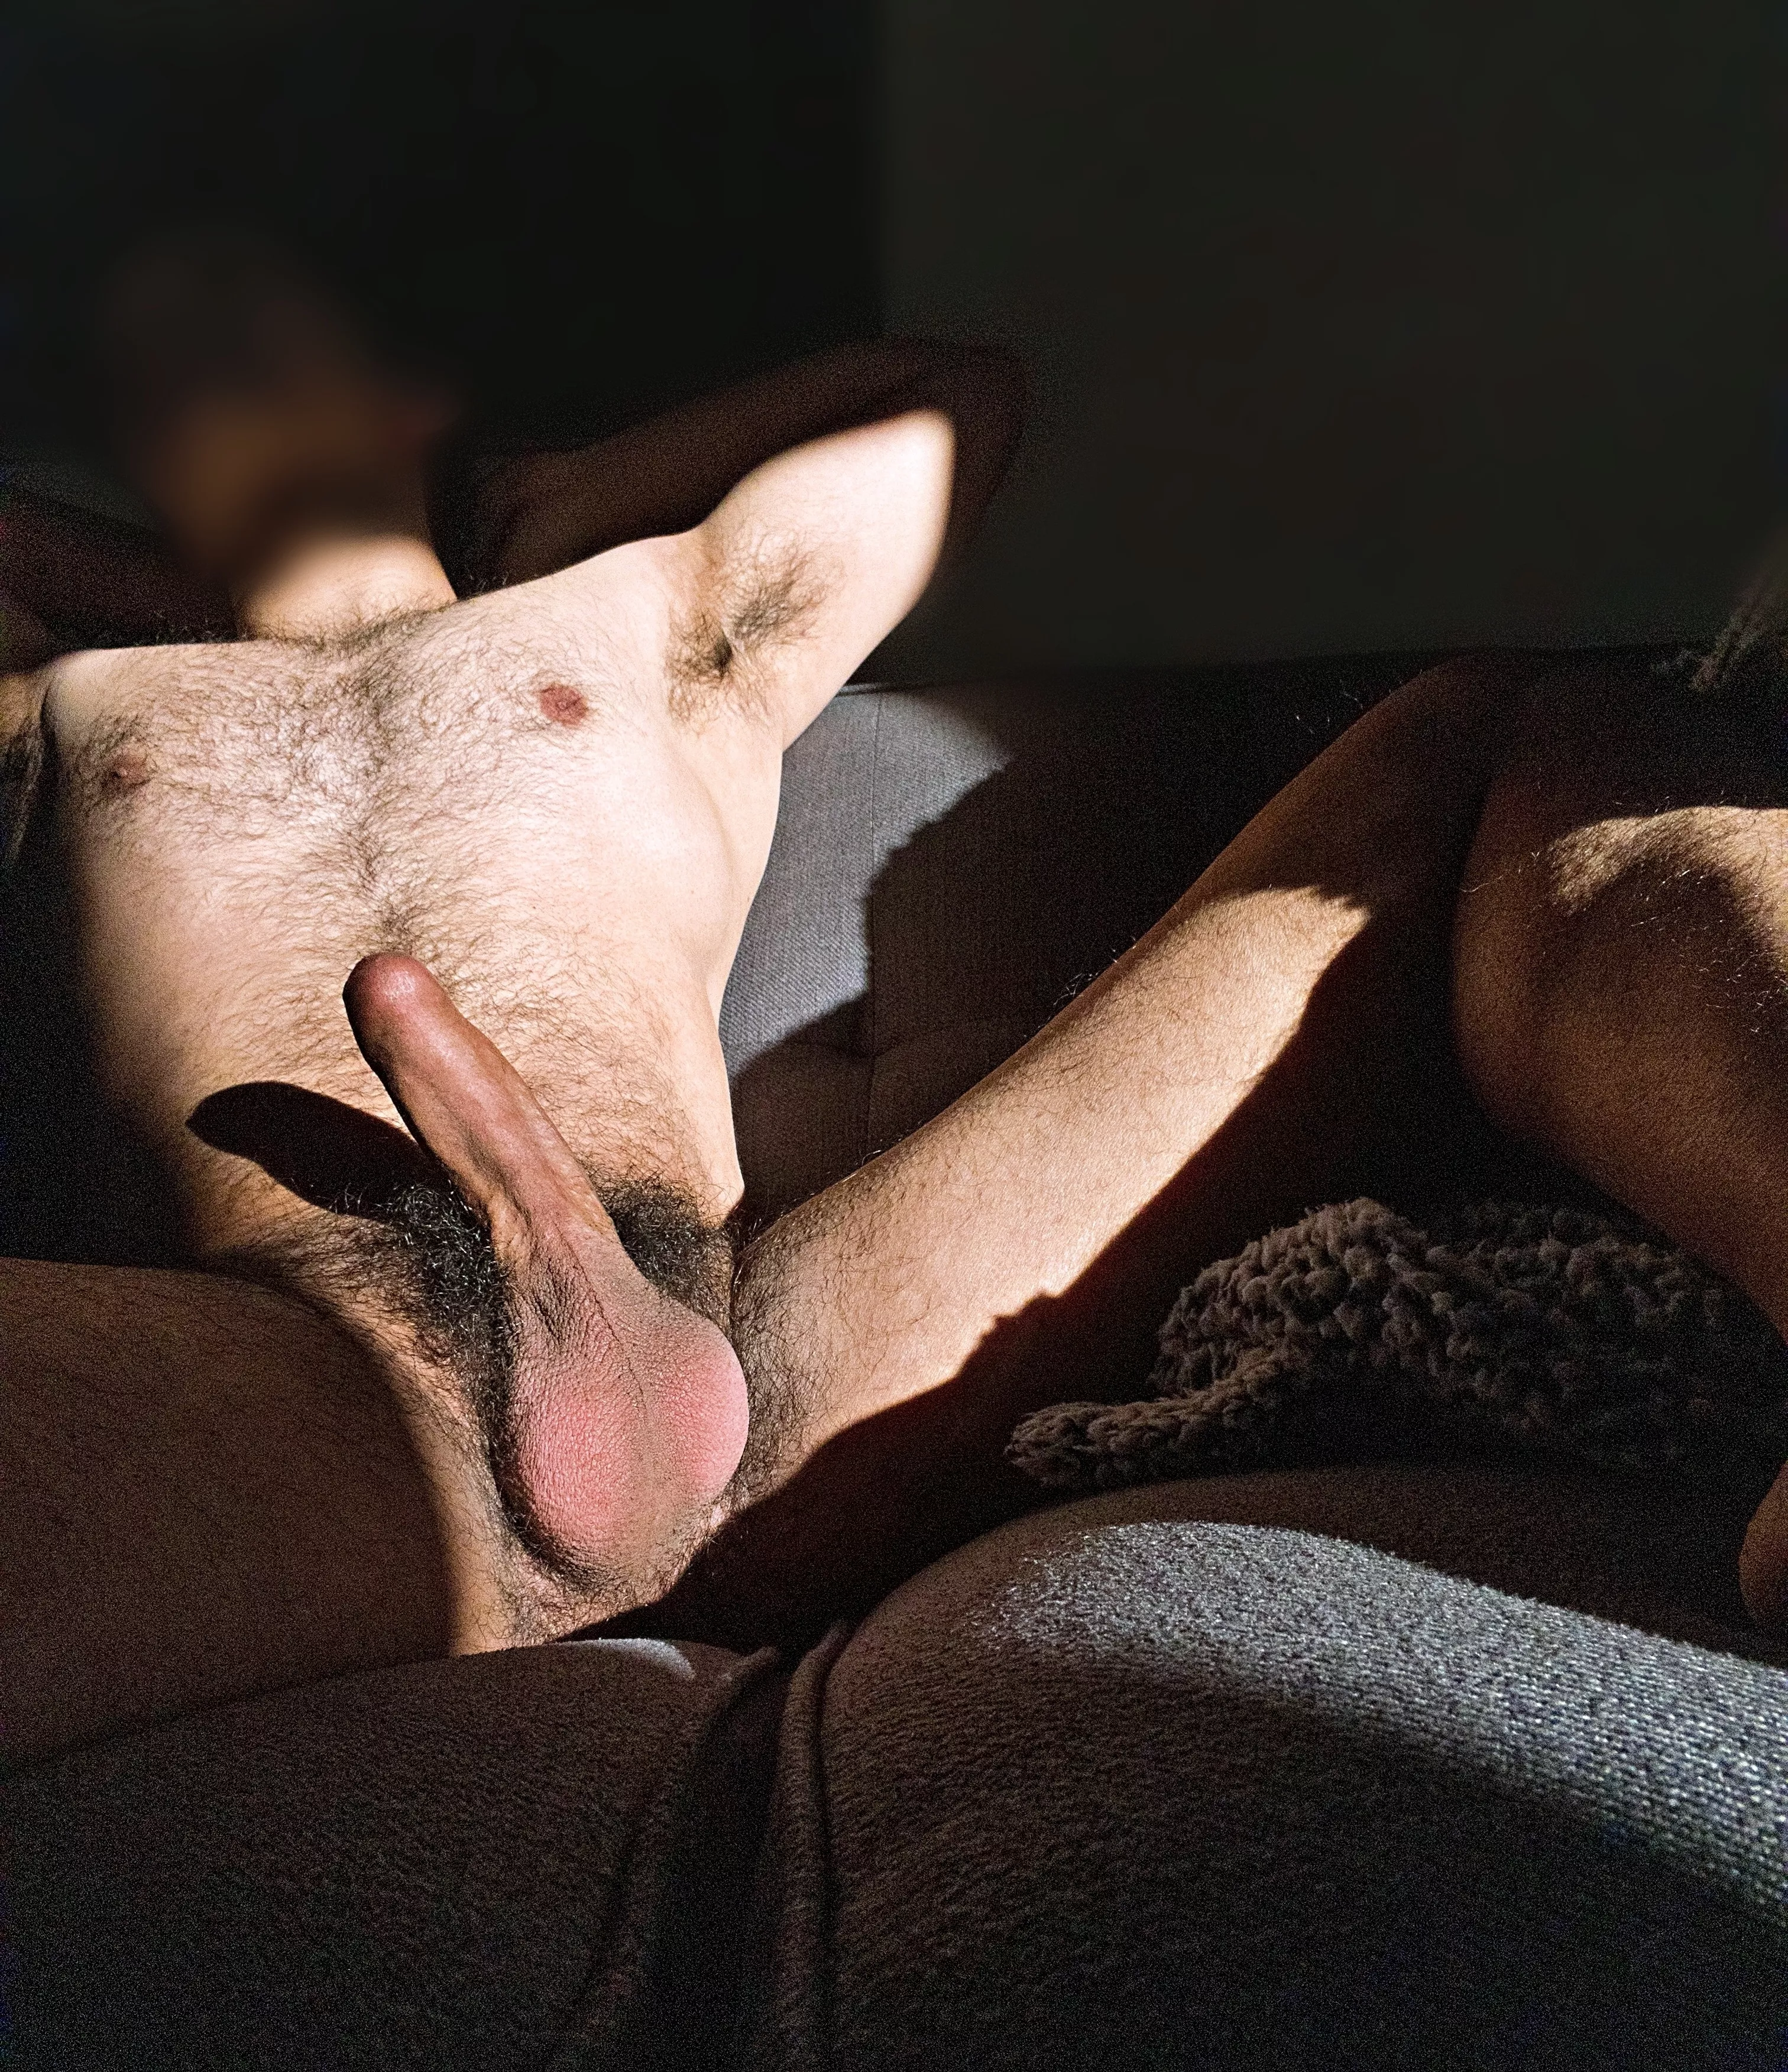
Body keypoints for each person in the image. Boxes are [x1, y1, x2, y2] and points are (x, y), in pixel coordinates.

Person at [3, 239, 1785, 1770]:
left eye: (259, 340)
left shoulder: (650, 600)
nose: (221, 392)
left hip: (800, 1379)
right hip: (289, 1404)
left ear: (405, 405)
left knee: (1507, 748)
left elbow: (950, 407)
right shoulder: (64, 706)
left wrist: (547, 499)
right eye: (175, 380)